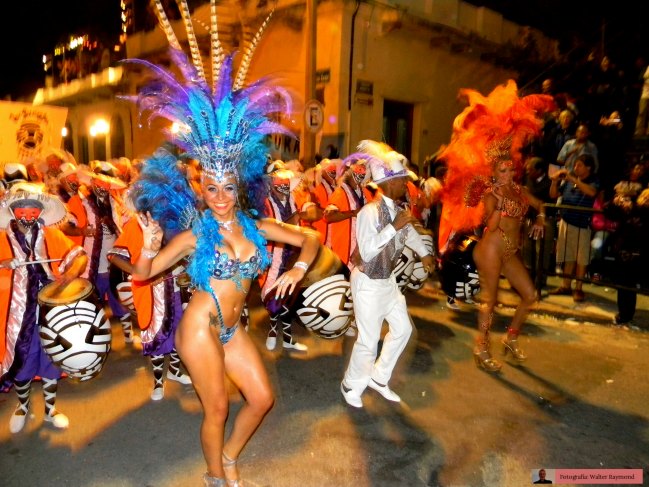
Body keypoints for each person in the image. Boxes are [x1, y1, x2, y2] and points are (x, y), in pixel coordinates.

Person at [126, 4, 321, 485]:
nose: (218, 197)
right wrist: (150, 245)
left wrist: (298, 270)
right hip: (200, 326)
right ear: (202, 189)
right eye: (209, 188)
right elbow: (144, 274)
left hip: (235, 329)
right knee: (216, 407)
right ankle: (217, 475)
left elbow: (309, 237)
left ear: (238, 186)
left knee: (261, 399)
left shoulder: (257, 227)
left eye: (226, 187)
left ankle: (231, 456)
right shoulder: (197, 234)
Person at [437, 80, 554, 372]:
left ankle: (510, 340)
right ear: (493, 170)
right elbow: (486, 224)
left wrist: (539, 221)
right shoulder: (490, 193)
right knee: (490, 301)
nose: (508, 171)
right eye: (503, 169)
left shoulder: (517, 190)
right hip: (491, 247)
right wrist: (498, 207)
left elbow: (542, 206)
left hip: (510, 250)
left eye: (510, 168)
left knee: (529, 296)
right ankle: (482, 347)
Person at [340, 140, 434, 408]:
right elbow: (367, 252)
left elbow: (410, 233)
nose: (407, 184)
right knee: (368, 342)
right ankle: (350, 384)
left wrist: (424, 254)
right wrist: (393, 227)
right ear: (388, 183)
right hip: (368, 283)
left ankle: (379, 378)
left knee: (403, 330)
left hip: (388, 283)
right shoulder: (369, 212)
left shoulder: (400, 210)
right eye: (403, 180)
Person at [0, 183, 88, 433]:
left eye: (33, 211)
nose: (28, 216)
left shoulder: (50, 235)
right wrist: (4, 263)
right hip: (14, 314)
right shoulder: (1, 237)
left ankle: (50, 409)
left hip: (50, 309)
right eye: (22, 211)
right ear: (13, 211)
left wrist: (70, 274)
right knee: (22, 359)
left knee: (51, 357)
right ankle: (22, 406)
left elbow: (79, 255)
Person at [549, 154, 599, 302]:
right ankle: (565, 286)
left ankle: (578, 288)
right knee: (568, 256)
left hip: (583, 225)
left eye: (579, 165)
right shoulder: (569, 181)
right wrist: (554, 182)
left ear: (588, 167)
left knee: (581, 259)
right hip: (566, 221)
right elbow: (553, 195)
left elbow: (592, 192)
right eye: (575, 165)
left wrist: (572, 179)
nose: (575, 167)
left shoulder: (593, 180)